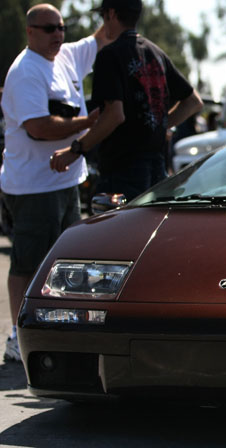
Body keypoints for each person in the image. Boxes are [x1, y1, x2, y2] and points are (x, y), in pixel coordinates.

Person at [1, 4, 110, 362]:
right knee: (28, 263)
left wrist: (115, 10)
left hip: (65, 183)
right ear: (30, 31)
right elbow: (40, 127)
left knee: (63, 264)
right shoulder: (25, 72)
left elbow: (103, 36)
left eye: (62, 27)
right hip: (33, 187)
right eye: (49, 29)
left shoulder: (66, 56)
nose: (58, 35)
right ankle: (18, 335)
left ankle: (55, 328)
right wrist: (88, 123)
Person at [51, 0, 203, 200]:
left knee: (119, 232)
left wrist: (75, 149)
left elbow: (114, 114)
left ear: (111, 14)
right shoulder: (156, 53)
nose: (103, 23)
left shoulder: (110, 55)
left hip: (122, 173)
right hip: (158, 171)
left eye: (102, 16)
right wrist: (159, 124)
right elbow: (193, 102)